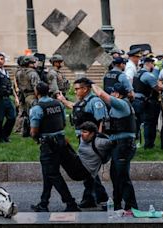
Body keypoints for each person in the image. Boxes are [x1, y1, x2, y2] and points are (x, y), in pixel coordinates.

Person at [57, 77, 109, 208]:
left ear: (85, 89)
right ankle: (98, 196)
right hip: (84, 140)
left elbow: (101, 122)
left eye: (77, 89)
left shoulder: (95, 102)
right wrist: (63, 100)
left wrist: (96, 141)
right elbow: (75, 107)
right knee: (88, 170)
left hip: (92, 141)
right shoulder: (83, 101)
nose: (75, 92)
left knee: (87, 170)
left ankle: (92, 197)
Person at [30, 82, 80, 212]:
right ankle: (43, 203)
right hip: (62, 142)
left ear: (37, 92)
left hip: (48, 145)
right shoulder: (58, 104)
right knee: (49, 174)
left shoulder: (37, 108)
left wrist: (35, 138)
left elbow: (34, 131)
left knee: (52, 174)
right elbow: (63, 123)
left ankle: (70, 203)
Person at [92, 82, 138, 211]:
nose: (111, 94)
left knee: (122, 177)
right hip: (118, 145)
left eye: (112, 92)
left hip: (124, 145)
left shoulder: (121, 103)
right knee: (115, 175)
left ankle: (132, 206)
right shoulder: (118, 105)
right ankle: (117, 204)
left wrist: (91, 83)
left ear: (117, 94)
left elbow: (100, 93)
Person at [60, 121, 113, 210]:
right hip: (79, 163)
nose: (82, 134)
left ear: (92, 134)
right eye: (82, 131)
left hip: (84, 170)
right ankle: (90, 200)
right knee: (65, 144)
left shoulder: (99, 142)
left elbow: (114, 142)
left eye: (85, 132)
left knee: (60, 148)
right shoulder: (82, 138)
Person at [0, 52, 19, 143]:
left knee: (12, 117)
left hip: (7, 98)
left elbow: (10, 86)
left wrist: (16, 97)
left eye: (2, 59)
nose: (0, 61)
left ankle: (5, 135)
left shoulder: (5, 71)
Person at [132, 56, 161, 149]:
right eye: (152, 64)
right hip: (146, 102)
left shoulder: (137, 73)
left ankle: (136, 142)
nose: (153, 66)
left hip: (136, 101)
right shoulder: (148, 75)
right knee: (149, 123)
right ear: (149, 64)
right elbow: (157, 88)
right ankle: (148, 144)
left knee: (138, 123)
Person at [15, 55, 40, 136]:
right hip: (32, 95)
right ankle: (32, 130)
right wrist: (39, 97)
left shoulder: (18, 72)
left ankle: (19, 129)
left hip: (23, 95)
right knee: (33, 114)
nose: (35, 64)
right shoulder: (33, 73)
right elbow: (36, 86)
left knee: (22, 113)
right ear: (29, 64)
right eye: (33, 63)